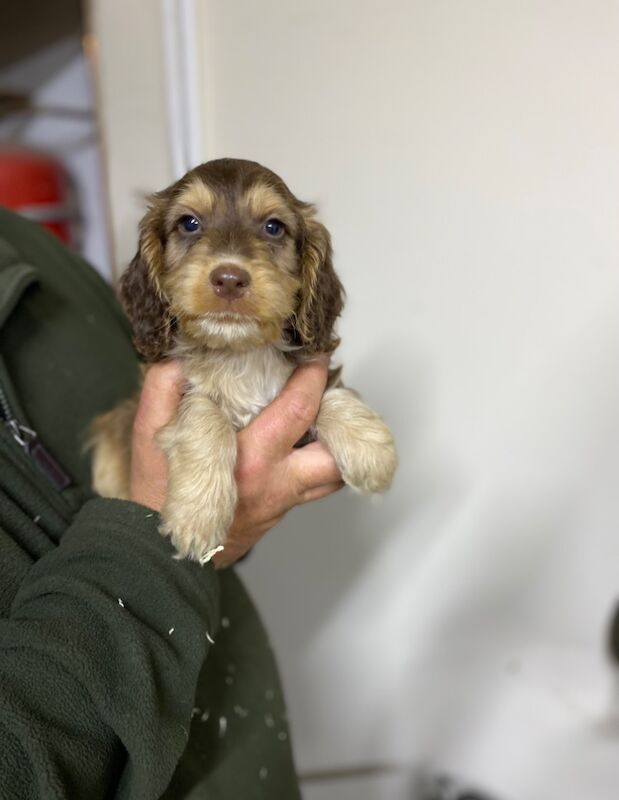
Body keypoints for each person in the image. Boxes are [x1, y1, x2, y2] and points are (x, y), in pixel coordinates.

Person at [0, 207, 342, 799]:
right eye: (190, 224)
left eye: (270, 229)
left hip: (244, 751)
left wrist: (242, 495)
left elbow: (160, 438)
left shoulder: (32, 247)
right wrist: (176, 539)